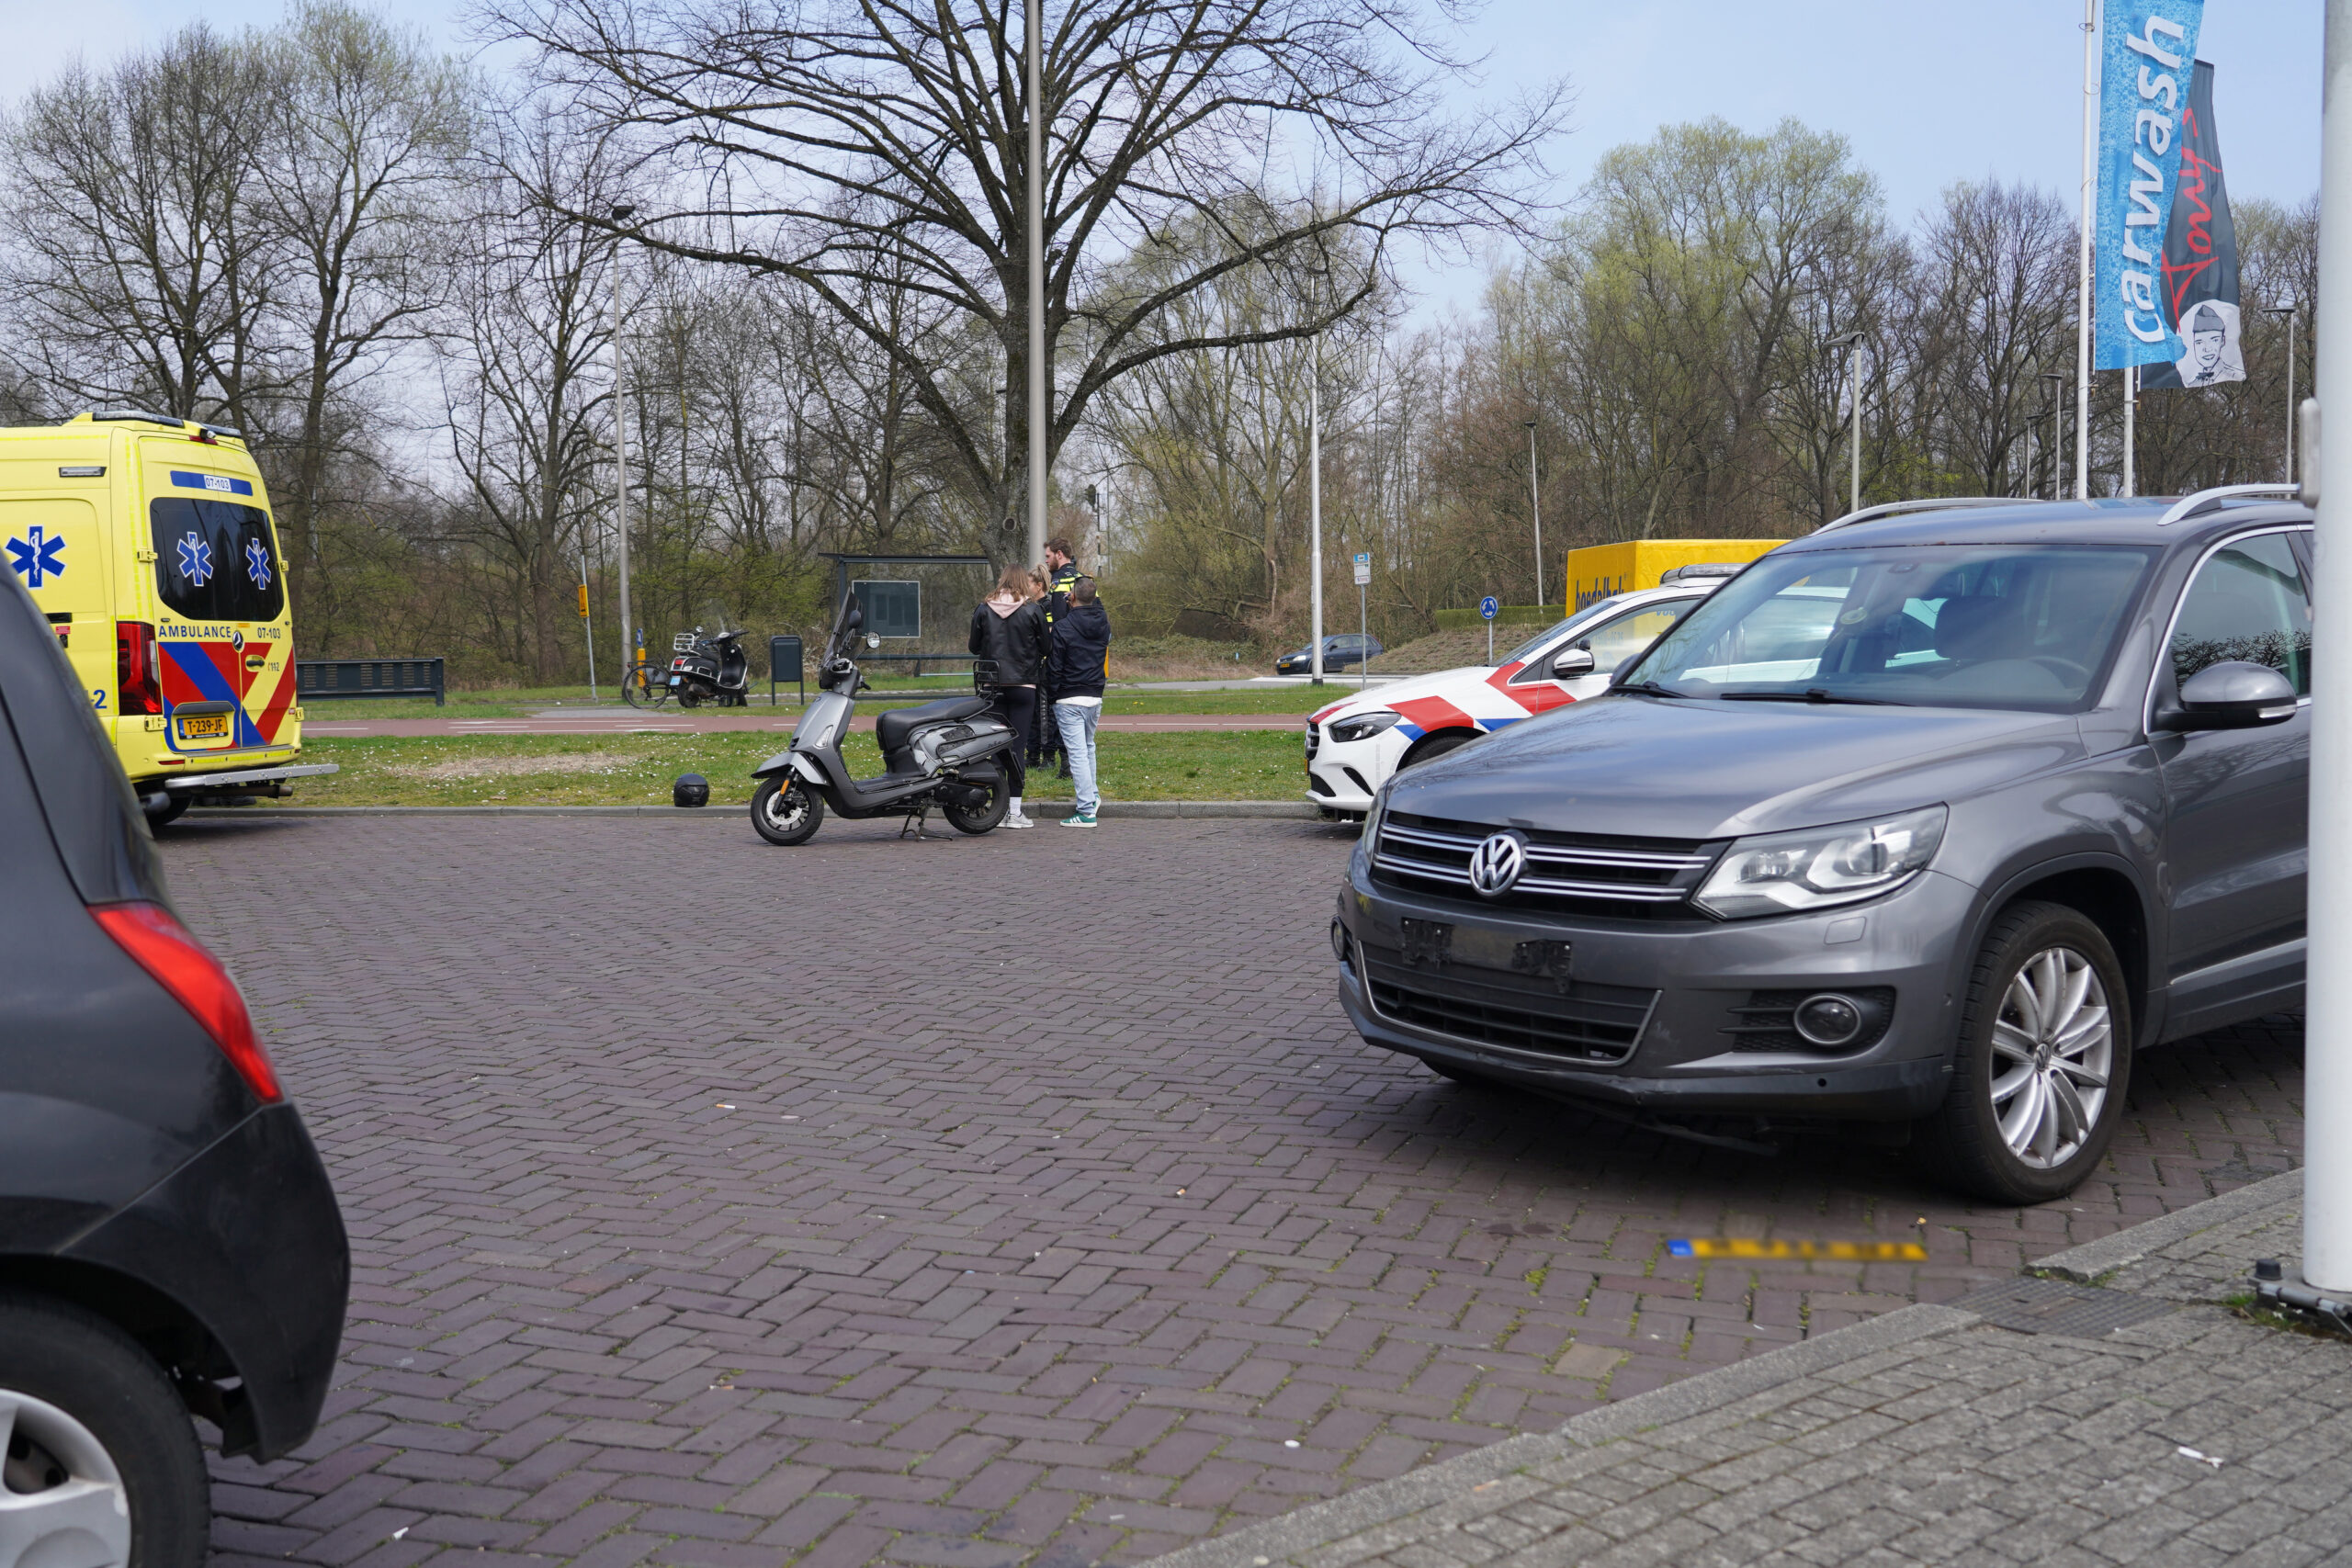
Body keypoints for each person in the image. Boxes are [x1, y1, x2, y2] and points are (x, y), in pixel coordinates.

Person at [967, 565, 1047, 828]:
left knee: (993, 747)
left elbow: (973, 646)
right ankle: (1014, 811)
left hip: (992, 683)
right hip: (1023, 683)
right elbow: (1046, 646)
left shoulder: (983, 609)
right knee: (1017, 747)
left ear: (1001, 581)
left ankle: (997, 810)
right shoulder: (1033, 610)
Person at [1048, 575, 1111, 829]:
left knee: (1077, 754)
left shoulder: (1063, 626)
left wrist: (1052, 694)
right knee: (1088, 747)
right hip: (1094, 693)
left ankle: (1086, 811)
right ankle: (1092, 797)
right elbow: (1093, 610)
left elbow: (1055, 665)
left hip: (1069, 696)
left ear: (1072, 597)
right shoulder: (1103, 622)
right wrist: (1077, 602)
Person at [1039, 540, 1081, 775]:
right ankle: (1073, 761)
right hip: (1081, 657)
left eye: (1048, 556)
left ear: (1059, 554)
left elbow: (1056, 624)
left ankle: (1062, 762)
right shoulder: (1084, 579)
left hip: (1061, 656)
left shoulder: (1056, 582)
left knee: (1057, 708)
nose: (1046, 560)